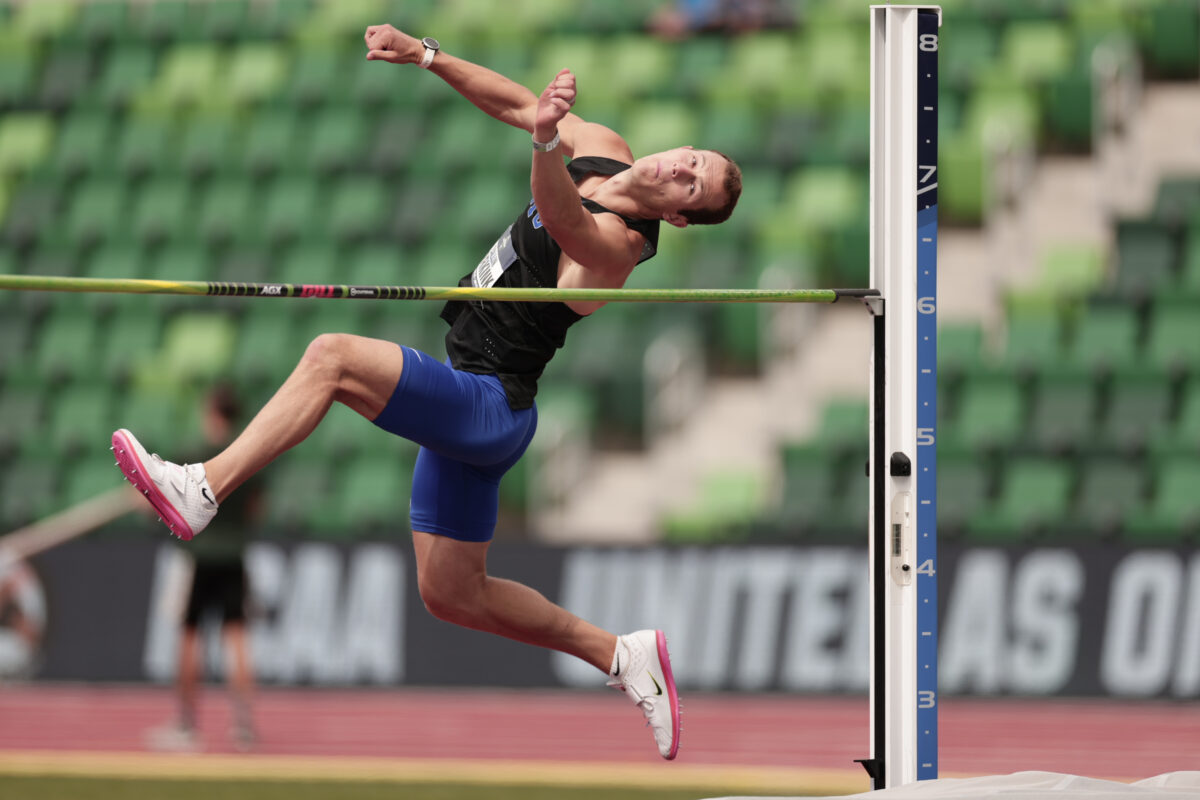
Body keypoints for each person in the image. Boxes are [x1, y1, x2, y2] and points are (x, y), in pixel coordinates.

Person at [112, 23, 741, 761]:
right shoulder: (606, 146)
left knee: (332, 357)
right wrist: (429, 57)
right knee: (450, 593)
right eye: (693, 158)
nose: (681, 168)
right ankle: (621, 656)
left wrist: (543, 145)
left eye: (692, 185)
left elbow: (565, 217)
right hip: (481, 402)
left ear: (677, 215)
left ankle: (204, 487)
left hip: (489, 405)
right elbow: (514, 102)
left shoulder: (619, 249)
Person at [146, 384, 261, 752]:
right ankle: (243, 726)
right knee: (237, 635)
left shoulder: (193, 454)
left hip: (199, 555)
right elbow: (257, 507)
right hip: (234, 553)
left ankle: (185, 724)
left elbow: (168, 500)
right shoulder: (246, 453)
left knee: (190, 635)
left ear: (212, 410)